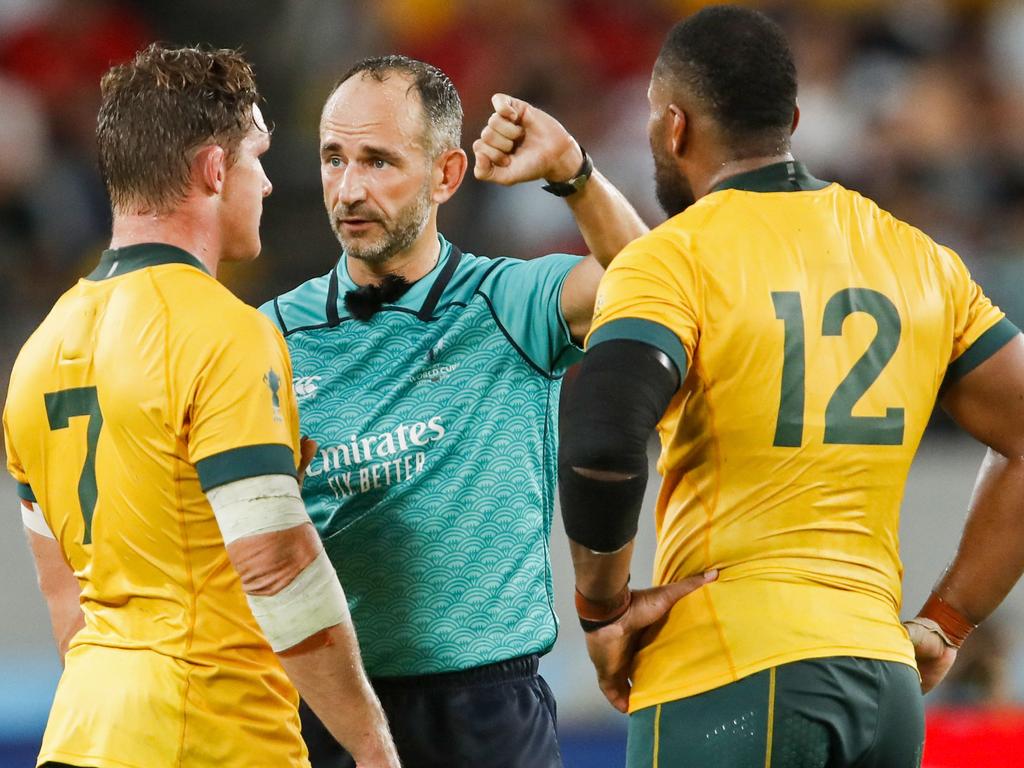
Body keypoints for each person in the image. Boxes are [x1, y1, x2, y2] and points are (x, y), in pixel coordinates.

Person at [558, 6, 1024, 768]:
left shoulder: (674, 257)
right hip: (882, 685)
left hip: (731, 670)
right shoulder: (918, 258)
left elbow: (603, 444)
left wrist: (602, 611)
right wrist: (946, 621)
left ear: (673, 127)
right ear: (793, 120)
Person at [3, 44, 398, 768]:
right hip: (210, 736)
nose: (270, 184)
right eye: (257, 158)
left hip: (83, 736)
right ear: (214, 170)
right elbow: (274, 563)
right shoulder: (223, 332)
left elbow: (67, 601)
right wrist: (372, 746)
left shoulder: (38, 352)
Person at [260, 55, 648, 767]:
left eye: (378, 161)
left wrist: (572, 171)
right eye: (333, 159)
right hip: (323, 712)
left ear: (445, 174)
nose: (348, 189)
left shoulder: (509, 303)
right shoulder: (269, 338)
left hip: (489, 714)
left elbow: (652, 286)